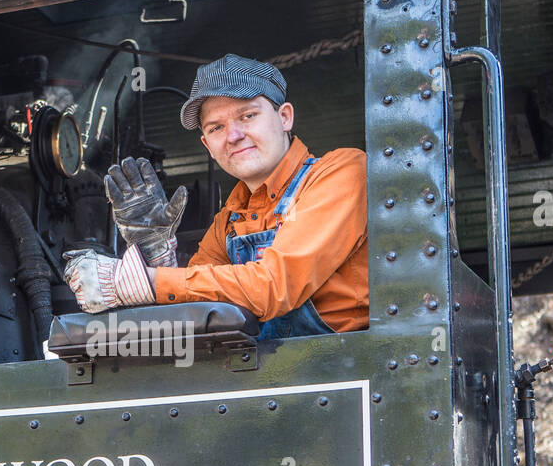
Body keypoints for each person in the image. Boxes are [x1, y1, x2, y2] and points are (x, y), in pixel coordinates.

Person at [64, 53, 368, 338]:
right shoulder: (228, 221)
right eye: (216, 127)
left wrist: (144, 281)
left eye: (248, 115)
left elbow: (274, 286)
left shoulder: (341, 172)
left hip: (344, 373)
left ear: (285, 117)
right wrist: (157, 259)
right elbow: (195, 311)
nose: (233, 135)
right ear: (207, 145)